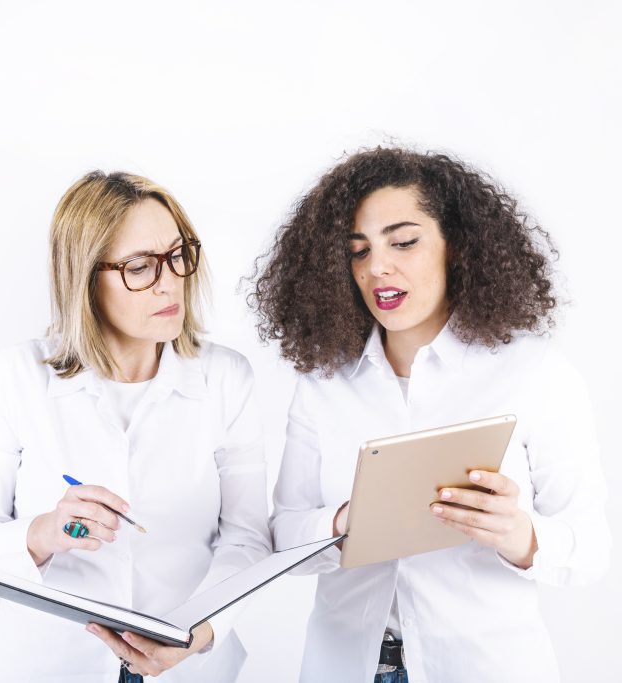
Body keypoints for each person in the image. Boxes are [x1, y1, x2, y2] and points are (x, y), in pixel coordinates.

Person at [250, 147, 610, 683]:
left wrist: (516, 533)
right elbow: (284, 537)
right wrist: (346, 522)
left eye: (403, 242)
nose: (377, 267)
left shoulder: (534, 373)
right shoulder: (324, 384)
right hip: (346, 667)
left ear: (456, 246)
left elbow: (590, 550)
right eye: (359, 250)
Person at [0, 171, 271, 682]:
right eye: (140, 267)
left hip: (186, 668)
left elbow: (248, 540)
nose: (169, 281)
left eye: (177, 255)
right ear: (84, 279)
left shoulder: (226, 378)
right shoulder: (20, 376)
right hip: (46, 666)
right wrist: (44, 532)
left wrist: (194, 634)